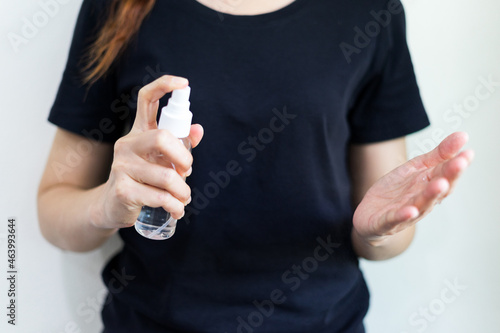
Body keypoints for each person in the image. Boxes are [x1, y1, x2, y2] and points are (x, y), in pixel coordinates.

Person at [37, 0, 474, 332]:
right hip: (153, 320)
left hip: (324, 321)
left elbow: (386, 237)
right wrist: (107, 205)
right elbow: (55, 211)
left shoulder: (369, 11)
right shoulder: (117, 7)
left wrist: (377, 231)